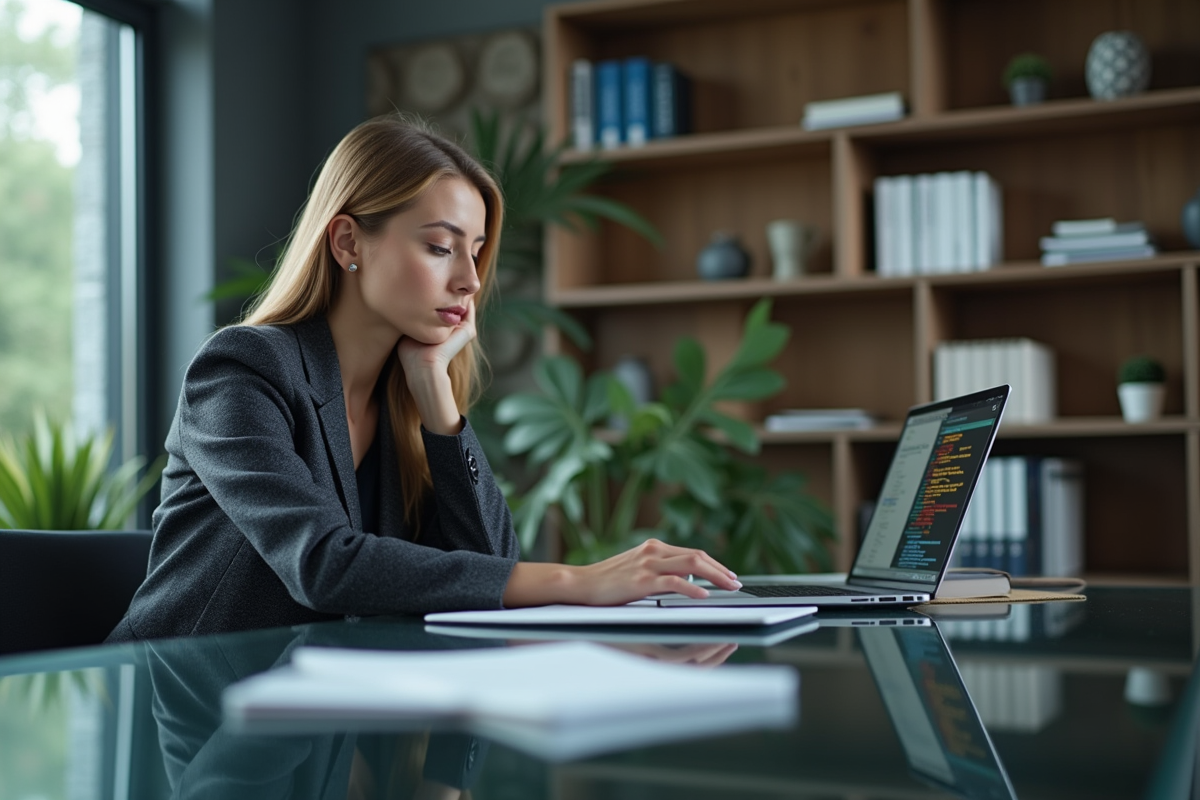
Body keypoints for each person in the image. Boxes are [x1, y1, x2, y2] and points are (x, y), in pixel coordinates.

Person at [107, 115, 741, 643]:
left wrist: (438, 400)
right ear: (349, 242)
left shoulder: (400, 397)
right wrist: (579, 581)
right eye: (441, 247)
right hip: (175, 712)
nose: (469, 279)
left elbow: (489, 567)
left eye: (475, 251)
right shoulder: (243, 370)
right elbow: (322, 565)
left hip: (308, 719)